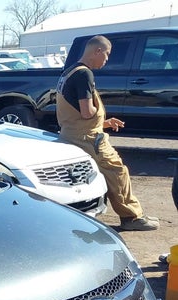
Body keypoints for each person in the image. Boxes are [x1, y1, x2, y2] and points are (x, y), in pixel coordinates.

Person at [56, 35, 159, 231]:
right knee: (117, 171)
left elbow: (74, 114)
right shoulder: (84, 74)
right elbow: (86, 112)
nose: (107, 59)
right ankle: (131, 217)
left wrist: (104, 123)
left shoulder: (68, 72)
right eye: (107, 54)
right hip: (89, 139)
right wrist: (96, 115)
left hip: (72, 134)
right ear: (98, 51)